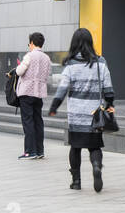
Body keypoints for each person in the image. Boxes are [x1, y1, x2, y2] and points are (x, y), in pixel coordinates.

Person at [48, 28, 115, 192]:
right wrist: (109, 103)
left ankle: (76, 181)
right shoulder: (101, 63)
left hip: (76, 115)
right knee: (94, 147)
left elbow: (62, 89)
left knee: (75, 147)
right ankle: (97, 166)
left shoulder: (70, 66)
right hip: (94, 115)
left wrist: (54, 107)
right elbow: (108, 89)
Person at [14, 32, 51, 160]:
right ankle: (40, 151)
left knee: (28, 122)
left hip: (27, 92)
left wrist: (19, 66)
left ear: (32, 43)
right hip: (39, 93)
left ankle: (30, 151)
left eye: (29, 43)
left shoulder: (29, 55)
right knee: (38, 122)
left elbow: (19, 71)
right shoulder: (46, 58)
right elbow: (47, 74)